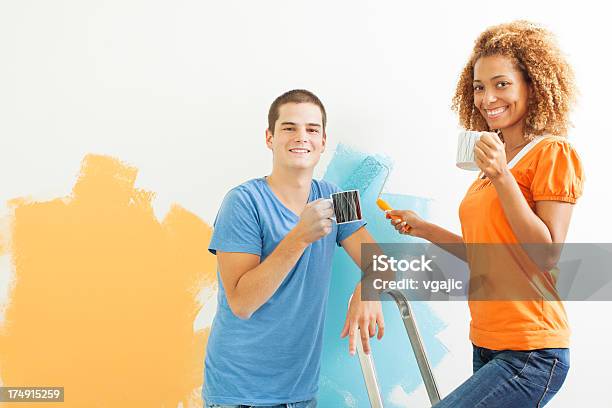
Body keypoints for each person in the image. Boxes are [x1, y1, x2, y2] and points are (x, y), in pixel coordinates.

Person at [386, 21, 583, 407]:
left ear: (533, 85)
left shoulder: (552, 153)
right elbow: (489, 253)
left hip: (532, 351)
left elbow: (546, 254)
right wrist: (425, 228)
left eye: (502, 84)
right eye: (479, 87)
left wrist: (502, 176)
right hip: (487, 342)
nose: (487, 97)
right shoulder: (491, 163)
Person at [204, 89, 385, 407]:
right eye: (289, 128)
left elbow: (382, 263)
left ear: (323, 141)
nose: (301, 137)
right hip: (241, 394)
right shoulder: (242, 202)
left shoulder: (338, 197)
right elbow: (242, 303)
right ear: (269, 137)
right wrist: (299, 237)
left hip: (301, 395)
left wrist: (368, 290)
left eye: (312, 129)